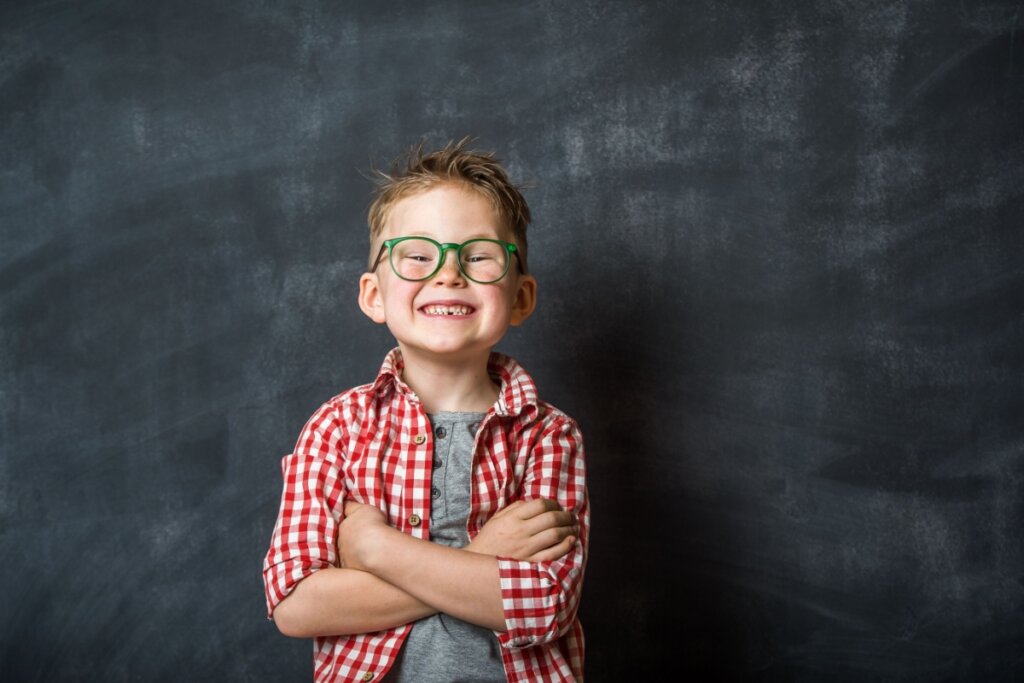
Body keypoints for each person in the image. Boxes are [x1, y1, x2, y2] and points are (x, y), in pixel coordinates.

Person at [262, 139, 589, 683]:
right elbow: (296, 604)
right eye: (417, 254)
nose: (448, 273)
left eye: (479, 255)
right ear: (373, 294)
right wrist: (482, 555)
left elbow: (545, 605)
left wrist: (373, 547)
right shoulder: (336, 429)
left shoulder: (548, 436)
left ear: (521, 298)